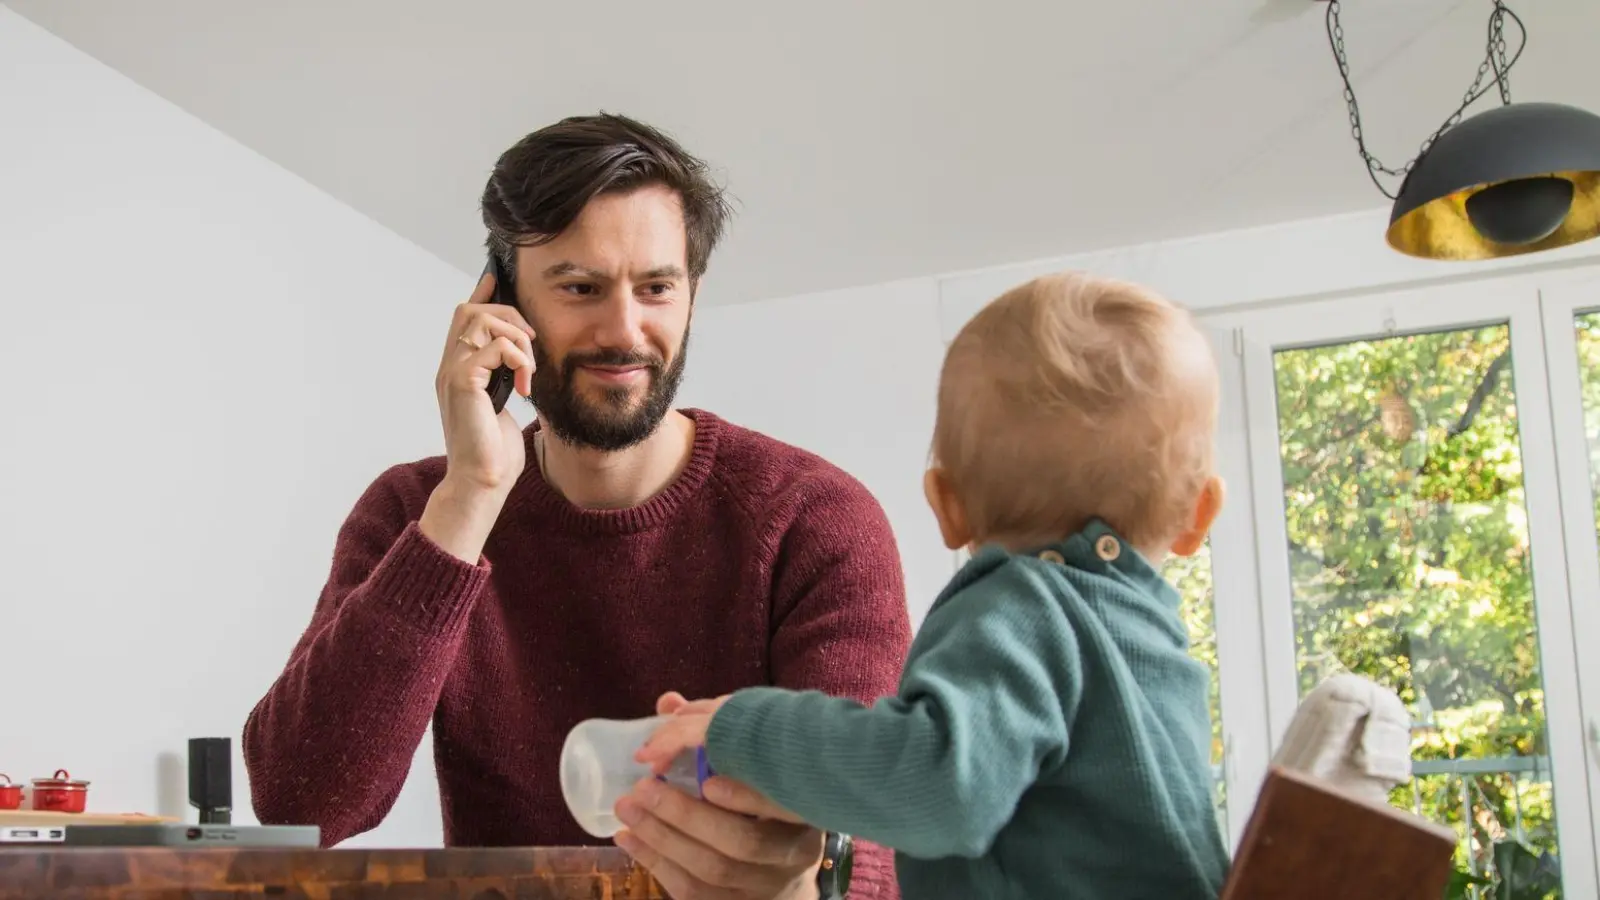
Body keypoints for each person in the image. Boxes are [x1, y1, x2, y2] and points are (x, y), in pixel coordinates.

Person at [241, 113, 912, 900]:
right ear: (502, 304)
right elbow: (301, 801)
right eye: (580, 287)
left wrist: (810, 875)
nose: (623, 331)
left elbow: (863, 842)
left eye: (656, 287)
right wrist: (471, 496)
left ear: (693, 295)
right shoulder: (417, 512)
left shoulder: (816, 519)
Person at [636, 271, 1233, 899]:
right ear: (1199, 517)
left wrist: (747, 727)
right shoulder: (1154, 647)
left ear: (946, 506)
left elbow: (938, 782)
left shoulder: (1026, 611)